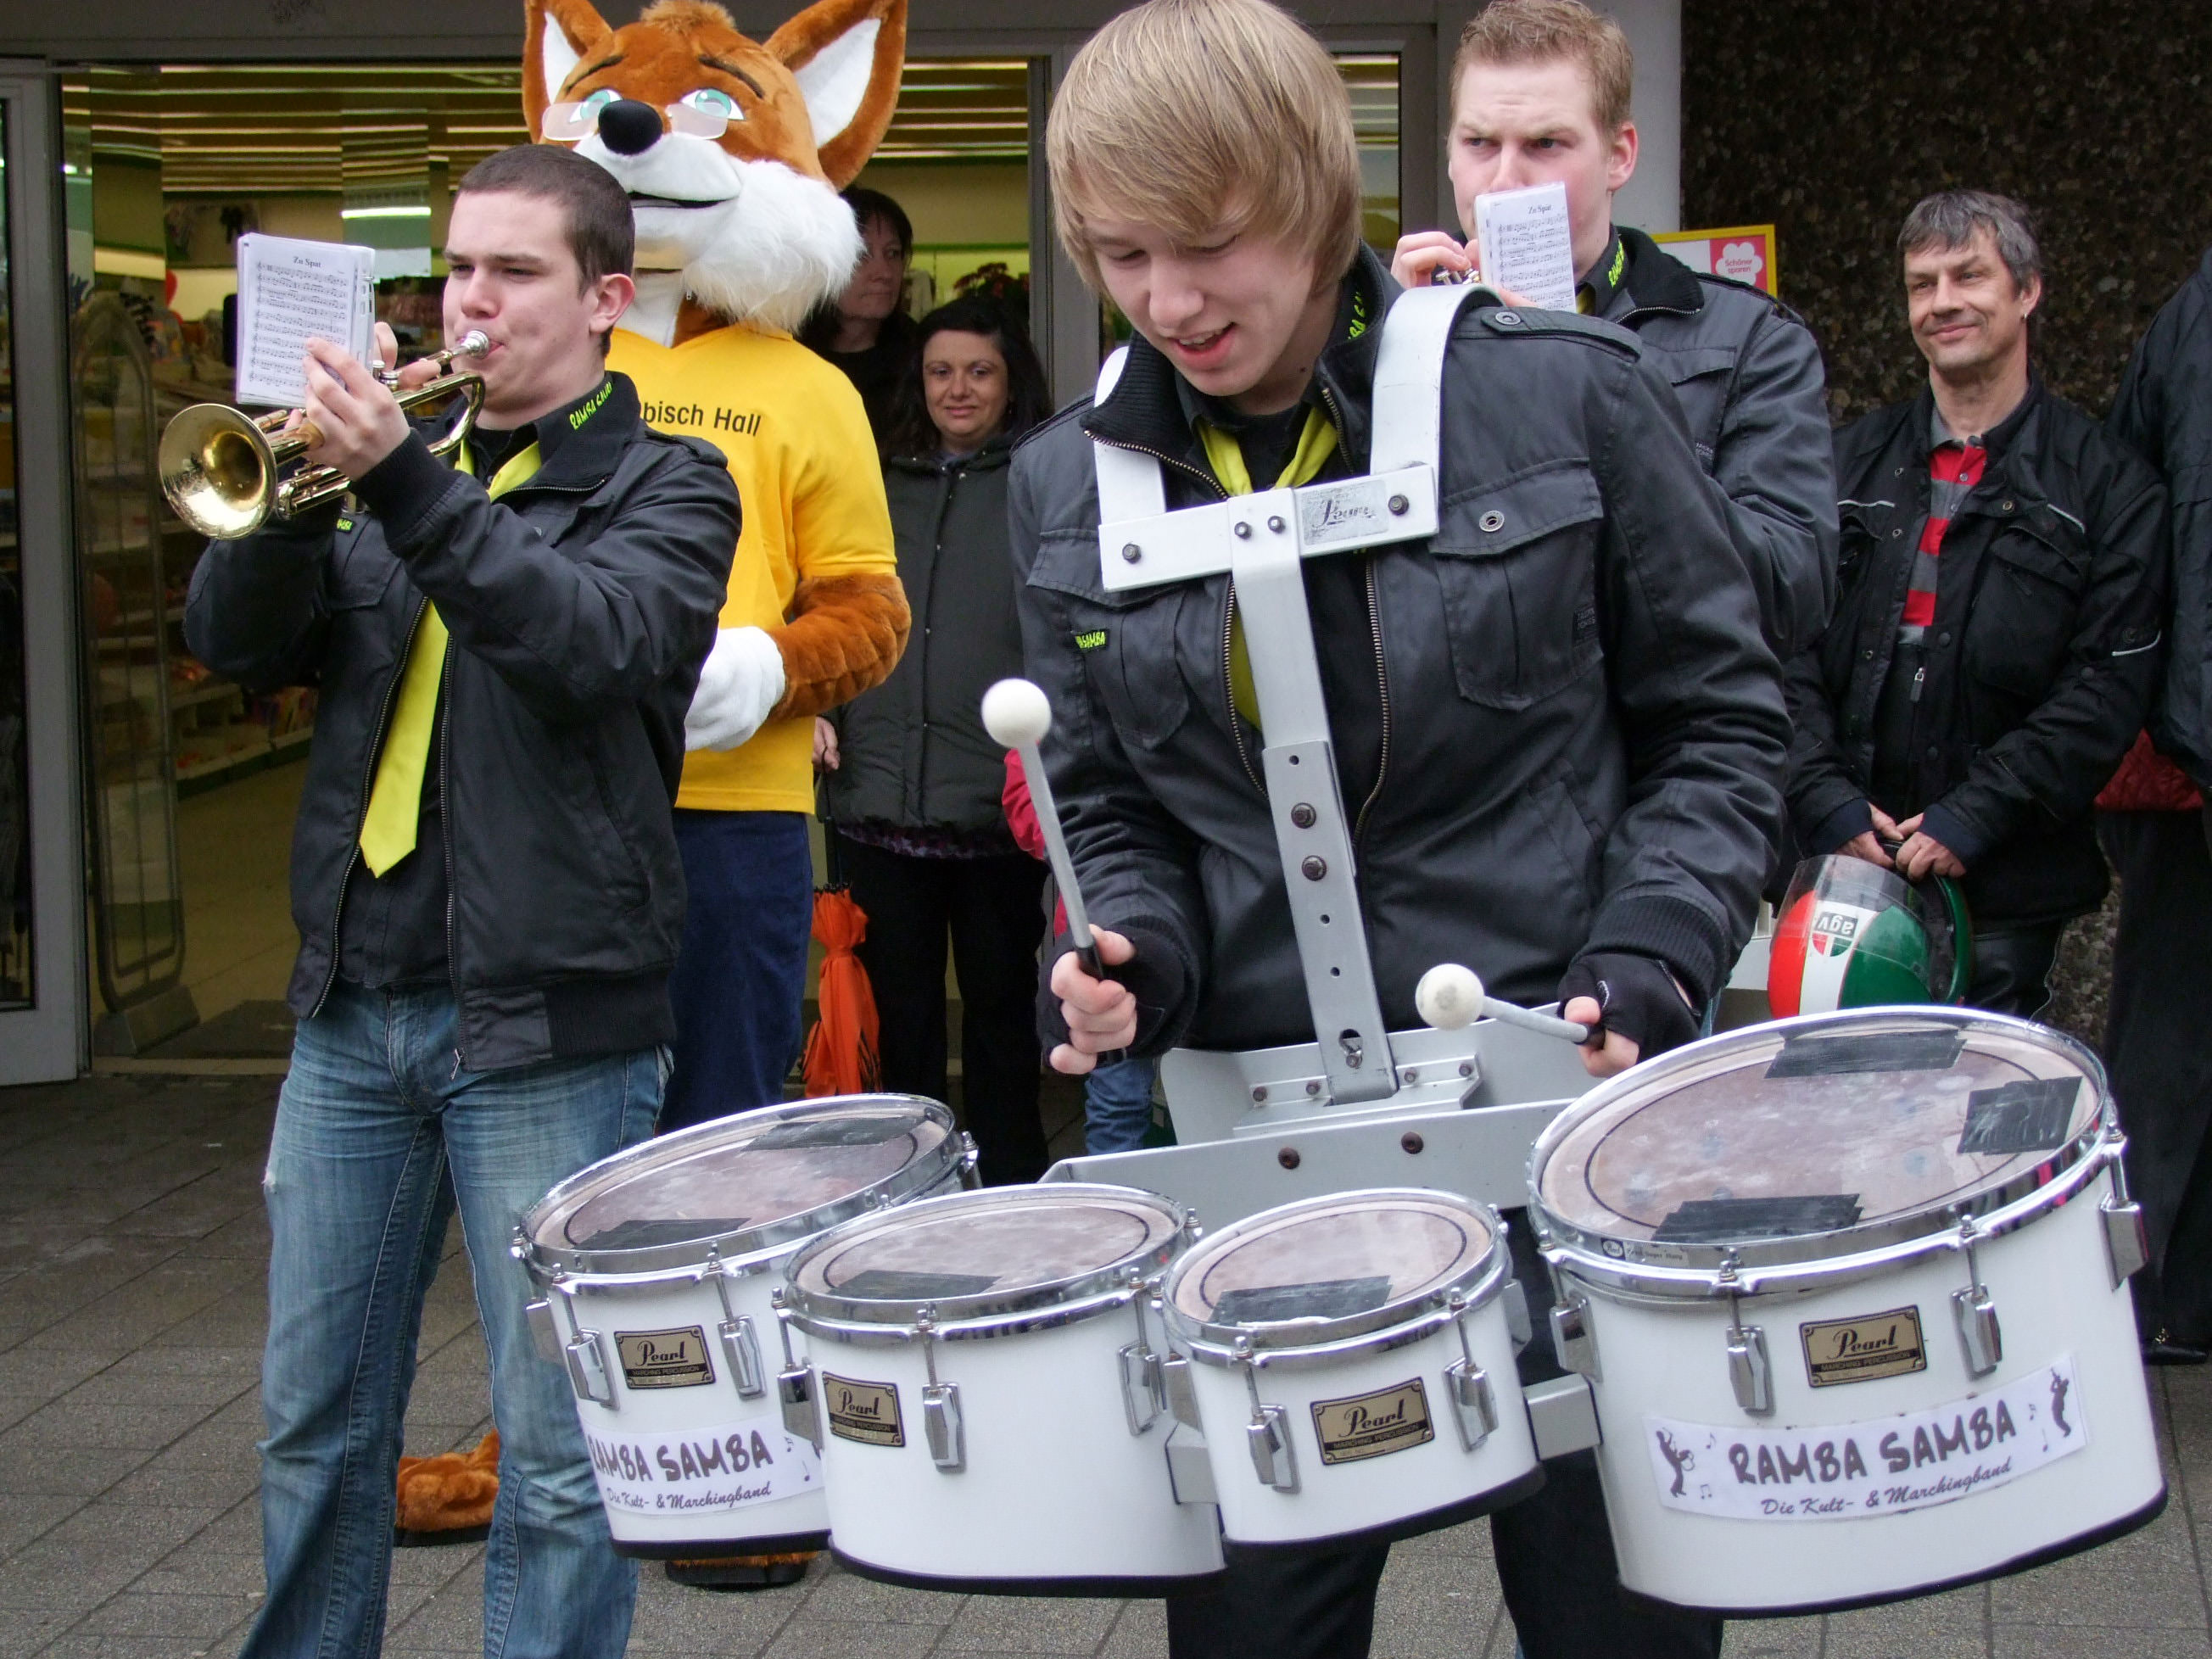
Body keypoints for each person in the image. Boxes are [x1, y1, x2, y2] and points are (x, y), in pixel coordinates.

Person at [1017, 3, 1787, 1655]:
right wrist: (1128, 960)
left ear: (1312, 197)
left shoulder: (1562, 392)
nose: (1169, 301)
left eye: (1208, 245)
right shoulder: (1063, 487)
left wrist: (1651, 957)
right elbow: (1109, 804)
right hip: (1262, 1166)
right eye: (1124, 256)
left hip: (1566, 1125)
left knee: (1617, 1627)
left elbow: (1718, 727)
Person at [182, 143, 739, 1659]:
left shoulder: (669, 482)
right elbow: (235, 647)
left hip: (551, 1020)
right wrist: (288, 501)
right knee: (313, 1424)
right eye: (457, 268)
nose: (469, 302)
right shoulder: (387, 479)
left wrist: (402, 481)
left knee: (557, 1455)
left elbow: (590, 648)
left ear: (606, 299)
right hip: (353, 1006)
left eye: (513, 272)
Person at [1785, 191, 2166, 1017]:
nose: (1942, 302)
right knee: (1830, 1094)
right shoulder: (1838, 466)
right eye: (1922, 284)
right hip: (1838, 871)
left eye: (1968, 276)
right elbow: (1777, 644)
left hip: (2003, 884)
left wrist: (1975, 815)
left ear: (2027, 292)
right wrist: (1822, 799)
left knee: (1985, 1098)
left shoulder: (2109, 487)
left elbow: (2108, 685)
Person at [1391, 0, 1834, 661]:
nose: (1504, 180)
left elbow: (1789, 594)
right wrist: (1393, 361)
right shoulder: (1397, 329)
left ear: (1619, 156)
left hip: (1658, 715)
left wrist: (1578, 389)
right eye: (1479, 143)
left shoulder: (1749, 340)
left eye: (1545, 144)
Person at [814, 297, 1055, 1181]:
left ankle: (1010, 1187)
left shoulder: (1040, 480)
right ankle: (909, 1189)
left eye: (979, 371)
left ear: (1010, 382)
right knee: (899, 1016)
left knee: (1000, 1011)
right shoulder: (872, 480)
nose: (958, 389)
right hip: (878, 799)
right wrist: (816, 704)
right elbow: (823, 604)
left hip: (996, 807)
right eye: (940, 371)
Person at [2103, 244, 2212, 1363]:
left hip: (2177, 742)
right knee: (2171, 1037)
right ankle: (2142, 1295)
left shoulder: (2185, 315)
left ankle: (2160, 1296)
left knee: (2170, 1031)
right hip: (2188, 751)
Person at [1002, 747, 1162, 1155]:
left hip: (1219, 918)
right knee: (1119, 1101)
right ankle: (1116, 1197)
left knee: (1227, 1092)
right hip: (1107, 924)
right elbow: (1023, 799)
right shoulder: (1061, 711)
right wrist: (1088, 833)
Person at [801, 187, 920, 442]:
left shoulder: (918, 357)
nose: (884, 273)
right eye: (862, 255)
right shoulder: (789, 354)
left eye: (893, 254)